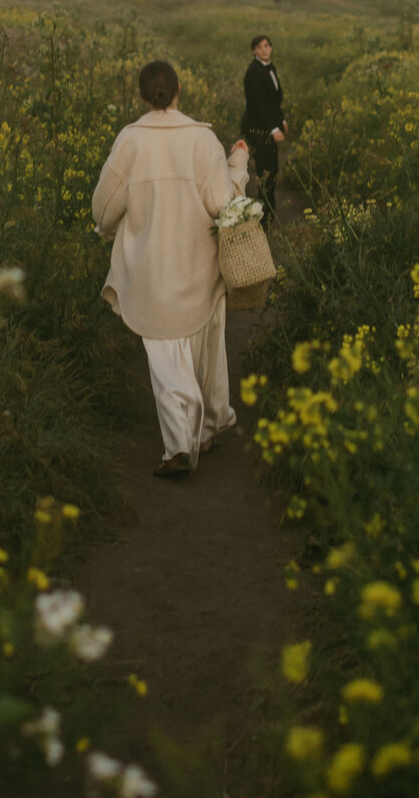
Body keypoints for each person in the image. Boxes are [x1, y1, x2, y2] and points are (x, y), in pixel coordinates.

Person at [92, 60, 250, 479]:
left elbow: (104, 208)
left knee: (164, 354)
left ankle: (187, 440)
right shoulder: (203, 139)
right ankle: (200, 433)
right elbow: (222, 204)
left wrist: (106, 228)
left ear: (141, 96)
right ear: (179, 89)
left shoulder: (130, 140)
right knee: (204, 349)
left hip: (150, 270)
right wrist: (238, 166)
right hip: (200, 265)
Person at [240, 34, 287, 220]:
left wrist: (281, 121)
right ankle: (264, 218)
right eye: (259, 47)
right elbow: (259, 105)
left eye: (267, 46)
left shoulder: (270, 67)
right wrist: (273, 129)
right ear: (254, 51)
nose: (264, 49)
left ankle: (268, 213)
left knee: (272, 170)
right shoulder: (253, 72)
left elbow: (274, 101)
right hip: (257, 129)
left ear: (271, 48)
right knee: (266, 172)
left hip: (268, 124)